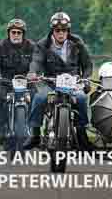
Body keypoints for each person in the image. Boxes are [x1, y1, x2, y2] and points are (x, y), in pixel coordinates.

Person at [27, 11, 92, 148]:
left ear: (68, 30)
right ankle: (35, 134)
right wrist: (33, 72)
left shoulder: (77, 43)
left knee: (81, 98)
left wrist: (86, 79)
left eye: (64, 30)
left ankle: (81, 134)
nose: (61, 33)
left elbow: (87, 65)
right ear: (52, 30)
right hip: (50, 82)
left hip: (73, 82)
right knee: (40, 98)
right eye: (57, 30)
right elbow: (36, 61)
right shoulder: (42, 44)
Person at [0, 18, 35, 145]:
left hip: (27, 83)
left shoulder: (31, 46)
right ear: (9, 33)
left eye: (19, 32)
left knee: (37, 99)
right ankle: (1, 131)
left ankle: (36, 132)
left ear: (23, 34)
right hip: (6, 82)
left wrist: (34, 73)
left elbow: (37, 61)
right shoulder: (1, 46)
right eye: (14, 32)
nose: (16, 35)